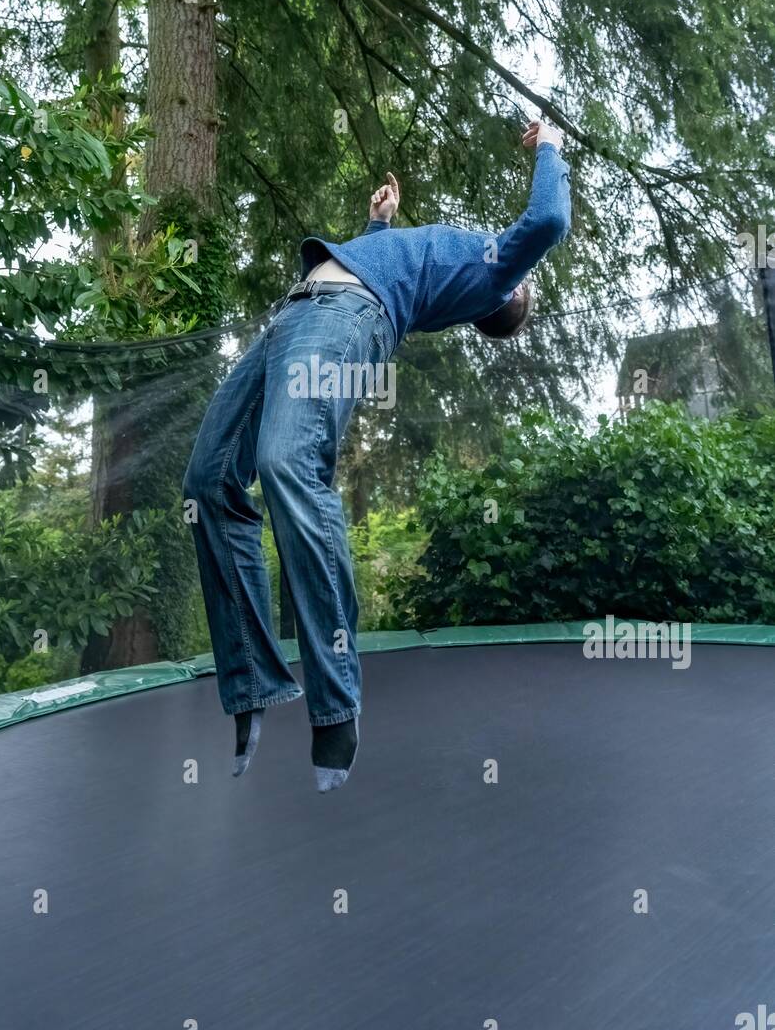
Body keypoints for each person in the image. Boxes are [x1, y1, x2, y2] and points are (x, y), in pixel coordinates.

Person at [183, 119, 571, 790]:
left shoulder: (497, 269)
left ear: (507, 295)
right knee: (208, 482)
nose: (511, 256)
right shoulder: (446, 259)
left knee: (286, 464)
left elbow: (547, 220)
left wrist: (551, 144)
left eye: (521, 277)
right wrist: (379, 226)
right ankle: (250, 684)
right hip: (297, 312)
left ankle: (335, 704)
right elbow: (384, 268)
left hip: (342, 316)